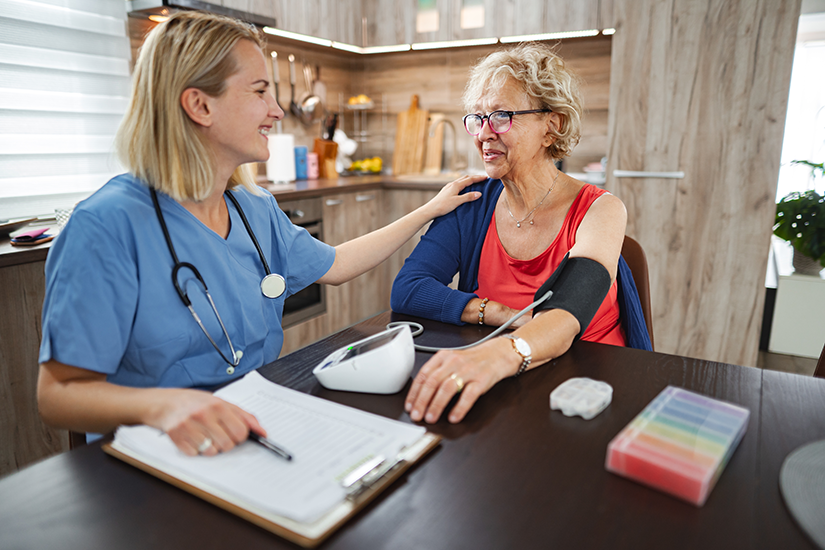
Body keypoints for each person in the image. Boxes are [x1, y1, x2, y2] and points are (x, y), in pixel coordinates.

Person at [36, 11, 483, 457]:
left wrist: (429, 210)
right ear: (200, 105)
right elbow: (57, 395)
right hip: (153, 454)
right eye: (259, 91)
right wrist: (163, 407)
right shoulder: (106, 227)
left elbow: (338, 263)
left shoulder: (254, 208)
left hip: (252, 430)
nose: (276, 110)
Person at [391, 42, 651, 426]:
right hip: (506, 386)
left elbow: (566, 313)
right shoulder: (472, 203)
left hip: (590, 391)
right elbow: (408, 288)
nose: (484, 133)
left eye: (501, 116)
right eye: (478, 118)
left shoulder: (601, 210)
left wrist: (497, 355)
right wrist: (501, 314)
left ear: (551, 126)